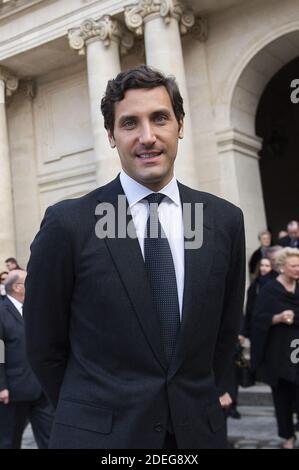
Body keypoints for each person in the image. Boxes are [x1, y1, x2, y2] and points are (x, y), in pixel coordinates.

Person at [24, 65, 245, 449]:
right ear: (111, 136)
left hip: (197, 435)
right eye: (129, 123)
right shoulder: (69, 224)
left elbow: (224, 334)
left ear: (180, 125)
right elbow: (44, 345)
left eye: (159, 118)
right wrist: (88, 415)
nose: (147, 137)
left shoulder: (224, 220)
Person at [251, 248, 299, 449]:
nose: (298, 269)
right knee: (282, 398)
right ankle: (288, 437)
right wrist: (277, 318)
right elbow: (257, 318)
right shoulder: (269, 289)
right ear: (281, 267)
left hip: (297, 351)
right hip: (277, 353)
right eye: (293, 266)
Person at [0, 270, 53, 449]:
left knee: (51, 437)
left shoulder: (34, 309)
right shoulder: (2, 312)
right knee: (9, 440)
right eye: (27, 281)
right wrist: (2, 386)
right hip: (13, 392)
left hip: (40, 388)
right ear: (17, 287)